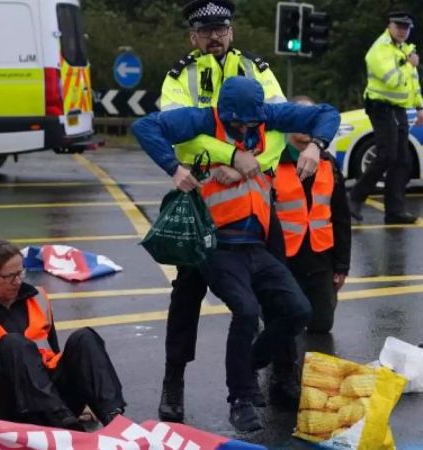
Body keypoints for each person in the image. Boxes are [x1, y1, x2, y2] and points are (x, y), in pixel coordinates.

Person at [132, 76, 339, 432]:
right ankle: (240, 399)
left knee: (298, 309)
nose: (243, 127)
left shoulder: (268, 118)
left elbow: (327, 113)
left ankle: (252, 360)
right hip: (219, 245)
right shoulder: (200, 120)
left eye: (250, 121)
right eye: (236, 122)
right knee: (245, 310)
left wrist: (315, 146)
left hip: (255, 245)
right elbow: (145, 125)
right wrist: (175, 167)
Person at [157, 0, 320, 424]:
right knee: (187, 295)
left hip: (255, 193)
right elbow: (177, 137)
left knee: (279, 286)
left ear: (232, 32)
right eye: (206, 30)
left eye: (222, 29)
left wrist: (248, 163)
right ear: (192, 36)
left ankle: (282, 373)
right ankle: (174, 381)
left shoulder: (257, 69)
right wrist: (223, 156)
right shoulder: (181, 76)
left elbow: (280, 129)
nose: (215, 36)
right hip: (203, 194)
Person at [0, 239, 126, 430]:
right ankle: (64, 424)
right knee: (13, 343)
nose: (17, 281)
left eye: (20, 273)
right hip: (7, 407)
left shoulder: (37, 298)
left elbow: (55, 353)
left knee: (84, 338)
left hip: (52, 398)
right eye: (8, 276)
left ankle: (115, 418)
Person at [274, 96, 351, 334]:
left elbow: (341, 217)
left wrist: (341, 266)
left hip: (320, 260)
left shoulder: (328, 163)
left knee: (322, 325)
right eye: (300, 119)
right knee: (284, 326)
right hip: (283, 261)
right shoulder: (272, 162)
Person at [348, 9, 423, 225]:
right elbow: (391, 80)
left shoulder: (405, 50)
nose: (402, 31)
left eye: (406, 27)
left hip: (398, 108)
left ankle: (394, 210)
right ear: (389, 26)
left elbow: (412, 82)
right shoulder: (379, 50)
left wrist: (419, 107)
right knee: (387, 155)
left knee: (403, 160)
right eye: (399, 26)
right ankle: (355, 197)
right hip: (380, 106)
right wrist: (407, 63)